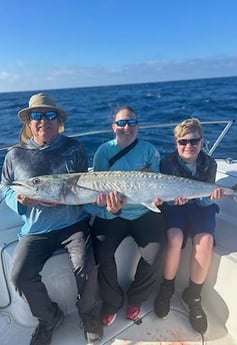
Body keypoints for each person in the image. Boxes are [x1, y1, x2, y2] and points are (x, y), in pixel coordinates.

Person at [1, 93, 103, 345]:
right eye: (36, 115)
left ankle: (89, 314)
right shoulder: (14, 154)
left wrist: (101, 204)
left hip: (73, 223)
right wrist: (21, 202)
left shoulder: (74, 148)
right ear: (29, 122)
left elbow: (84, 186)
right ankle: (49, 317)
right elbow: (7, 188)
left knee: (86, 267)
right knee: (20, 276)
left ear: (58, 120)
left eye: (50, 115)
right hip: (36, 228)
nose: (43, 120)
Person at [90, 105, 165, 327]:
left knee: (155, 252)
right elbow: (97, 188)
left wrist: (157, 197)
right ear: (114, 127)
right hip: (114, 213)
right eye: (121, 122)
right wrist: (109, 207)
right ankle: (112, 302)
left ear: (138, 126)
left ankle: (136, 298)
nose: (126, 127)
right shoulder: (103, 152)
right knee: (101, 252)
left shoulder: (149, 150)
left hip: (143, 212)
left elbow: (156, 182)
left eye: (131, 122)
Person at [154, 118, 224, 335]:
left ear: (202, 141)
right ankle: (166, 289)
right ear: (176, 143)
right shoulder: (166, 163)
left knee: (205, 242)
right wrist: (171, 200)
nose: (188, 146)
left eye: (194, 141)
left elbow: (204, 200)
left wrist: (210, 197)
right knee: (174, 238)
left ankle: (193, 296)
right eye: (183, 142)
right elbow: (162, 195)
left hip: (202, 206)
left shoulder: (209, 164)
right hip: (176, 207)